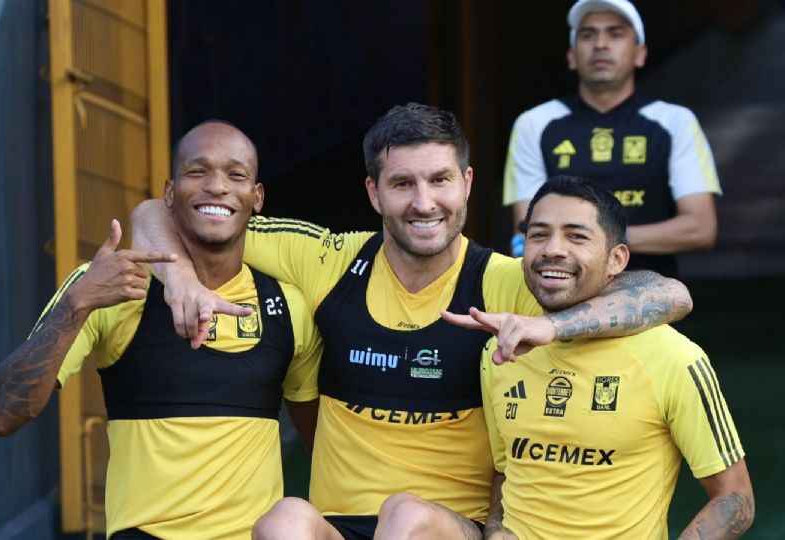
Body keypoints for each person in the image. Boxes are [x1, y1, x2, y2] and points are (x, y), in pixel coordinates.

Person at [132, 103, 694, 540]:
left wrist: (555, 326)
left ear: (468, 183)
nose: (425, 202)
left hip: (449, 527)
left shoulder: (507, 280)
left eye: (440, 180)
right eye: (403, 184)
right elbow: (158, 210)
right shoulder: (328, 259)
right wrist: (178, 275)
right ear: (374, 193)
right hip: (342, 522)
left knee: (404, 517)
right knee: (283, 522)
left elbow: (665, 292)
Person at [0, 121, 323, 539]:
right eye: (197, 172)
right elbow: (4, 413)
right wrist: (79, 302)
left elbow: (320, 447)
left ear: (256, 197)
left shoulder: (287, 306)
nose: (217, 186)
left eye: (236, 175)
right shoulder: (109, 285)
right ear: (169, 193)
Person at [448, 176, 753, 539]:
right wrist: (496, 528)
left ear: (617, 260)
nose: (552, 250)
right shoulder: (499, 352)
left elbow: (735, 497)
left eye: (576, 236)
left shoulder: (674, 357)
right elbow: (507, 471)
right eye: (539, 234)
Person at [502, 0, 721, 278]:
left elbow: (700, 229)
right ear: (571, 55)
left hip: (650, 296)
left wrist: (597, 241)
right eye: (588, 35)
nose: (600, 44)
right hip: (561, 294)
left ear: (640, 54)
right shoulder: (534, 123)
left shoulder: (676, 122)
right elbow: (526, 231)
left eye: (615, 34)